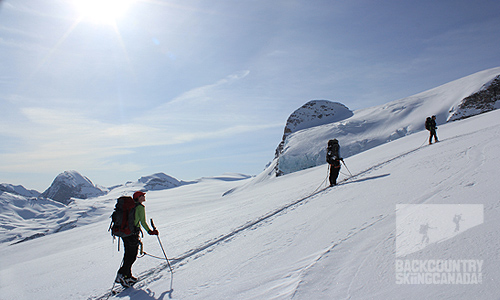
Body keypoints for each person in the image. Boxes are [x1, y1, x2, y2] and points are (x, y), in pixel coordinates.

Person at [115, 191, 158, 287]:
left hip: (125, 233)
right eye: (142, 196)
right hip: (132, 233)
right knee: (132, 256)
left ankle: (128, 276)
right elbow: (142, 222)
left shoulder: (131, 206)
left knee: (128, 254)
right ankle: (122, 275)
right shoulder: (140, 207)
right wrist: (150, 231)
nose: (144, 197)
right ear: (138, 197)